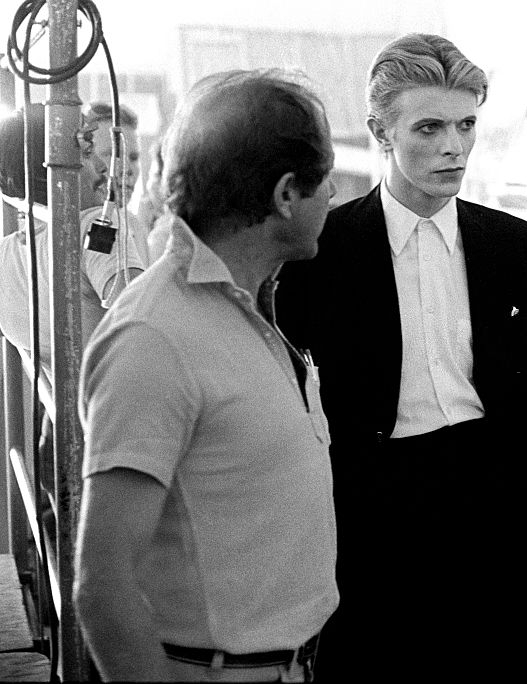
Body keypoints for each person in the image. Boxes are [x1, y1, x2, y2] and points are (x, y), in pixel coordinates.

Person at [274, 33, 527, 683]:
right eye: (429, 127)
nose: (454, 147)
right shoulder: (321, 251)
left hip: (495, 504)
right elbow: (296, 401)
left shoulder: (516, 244)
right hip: (375, 515)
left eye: (466, 125)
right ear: (380, 131)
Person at [73, 68, 338, 682]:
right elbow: (103, 589)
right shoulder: (155, 336)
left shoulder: (245, 303)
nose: (332, 199)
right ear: (285, 195)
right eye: (322, 181)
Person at [0, 103, 145, 377]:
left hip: (70, 414)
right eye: (88, 153)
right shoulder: (97, 226)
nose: (105, 168)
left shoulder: (6, 258)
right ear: (47, 172)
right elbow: (147, 312)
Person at [83, 101, 151, 264]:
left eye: (133, 158)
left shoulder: (133, 225)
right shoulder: (95, 225)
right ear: (87, 158)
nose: (127, 169)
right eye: (113, 155)